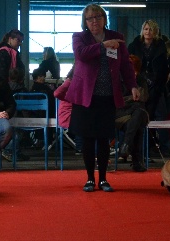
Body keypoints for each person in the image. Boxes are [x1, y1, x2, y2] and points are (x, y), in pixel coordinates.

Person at [66, 4, 139, 192]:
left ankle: (104, 178)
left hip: (108, 96)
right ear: (85, 21)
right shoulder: (79, 37)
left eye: (97, 17)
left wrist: (133, 85)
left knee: (104, 138)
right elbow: (81, 55)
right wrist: (103, 46)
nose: (94, 21)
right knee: (88, 139)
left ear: (104, 18)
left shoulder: (118, 37)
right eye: (89, 18)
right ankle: (90, 178)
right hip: (86, 96)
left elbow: (125, 65)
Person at [116, 55, 149, 172]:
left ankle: (126, 145)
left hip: (136, 112)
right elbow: (117, 100)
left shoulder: (141, 79)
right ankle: (137, 161)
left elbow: (144, 97)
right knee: (138, 124)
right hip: (122, 114)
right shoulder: (117, 79)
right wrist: (132, 98)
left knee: (138, 115)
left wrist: (128, 98)